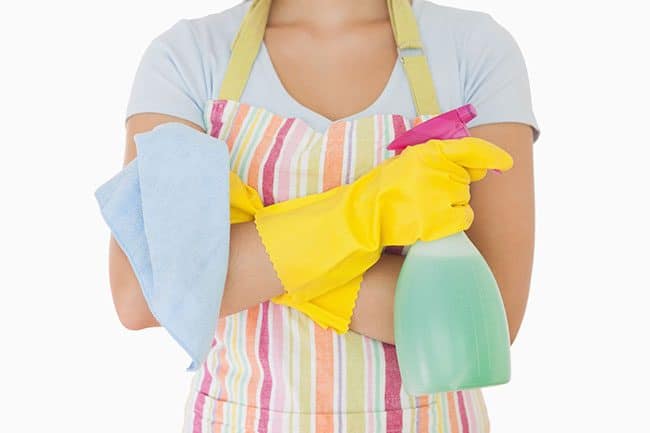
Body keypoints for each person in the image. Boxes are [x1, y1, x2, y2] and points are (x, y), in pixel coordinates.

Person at [109, 0, 538, 431]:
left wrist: (240, 257)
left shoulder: (474, 51)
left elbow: (483, 323)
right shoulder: (186, 58)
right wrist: (367, 213)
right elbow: (141, 295)